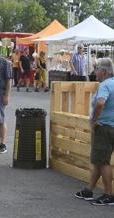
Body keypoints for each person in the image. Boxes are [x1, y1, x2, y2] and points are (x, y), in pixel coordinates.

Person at [74, 58, 114, 206]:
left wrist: (93, 121)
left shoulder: (105, 85)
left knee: (103, 162)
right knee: (99, 159)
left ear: (103, 71)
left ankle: (108, 194)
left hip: (103, 128)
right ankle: (88, 190)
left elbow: (100, 102)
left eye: (96, 68)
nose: (95, 71)